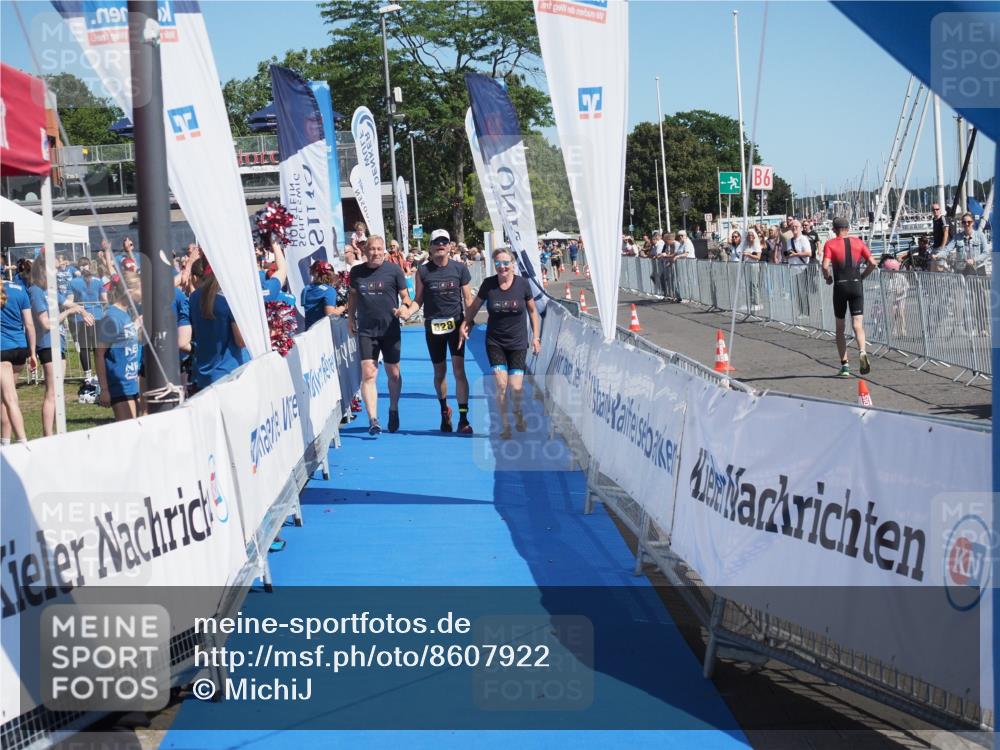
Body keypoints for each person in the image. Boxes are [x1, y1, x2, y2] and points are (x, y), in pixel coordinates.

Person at [460, 247, 540, 440]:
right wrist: (465, 323)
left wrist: (536, 337)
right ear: (494, 265)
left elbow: (532, 312)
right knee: (501, 385)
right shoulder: (489, 285)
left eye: (506, 263)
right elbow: (474, 307)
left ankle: (518, 411)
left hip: (518, 343)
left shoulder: (522, 284)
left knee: (516, 388)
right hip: (495, 342)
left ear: (512, 265)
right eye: (498, 264)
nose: (502, 267)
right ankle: (505, 426)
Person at [347, 235, 415, 436]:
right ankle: (373, 419)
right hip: (367, 331)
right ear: (365, 251)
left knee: (393, 373)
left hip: (390, 329)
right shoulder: (356, 272)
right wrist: (351, 317)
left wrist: (404, 308)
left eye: (379, 249)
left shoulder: (393, 270)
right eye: (371, 249)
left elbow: (406, 296)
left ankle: (393, 408)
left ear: (384, 251)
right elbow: (353, 296)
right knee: (369, 373)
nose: (375, 252)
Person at [410, 228, 475, 434]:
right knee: (440, 372)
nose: (441, 245)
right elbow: (418, 300)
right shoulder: (423, 271)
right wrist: (406, 312)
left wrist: (468, 322)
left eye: (444, 242)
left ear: (450, 246)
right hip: (433, 326)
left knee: (459, 370)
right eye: (436, 242)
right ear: (430, 246)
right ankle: (444, 411)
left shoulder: (460, 268)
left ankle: (463, 419)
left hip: (455, 325)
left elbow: (468, 299)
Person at [29, 259, 91, 436]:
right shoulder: (35, 291)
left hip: (59, 342)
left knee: (58, 390)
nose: (54, 274)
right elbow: (46, 323)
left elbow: (69, 304)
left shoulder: (51, 292)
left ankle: (58, 432)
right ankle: (48, 434)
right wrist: (69, 312)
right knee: (52, 391)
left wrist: (83, 311)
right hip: (47, 344)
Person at [822, 217, 876, 377]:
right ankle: (862, 351)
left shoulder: (830, 244)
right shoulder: (858, 242)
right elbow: (873, 262)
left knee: (840, 328)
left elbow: (825, 265)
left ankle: (845, 366)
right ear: (848, 228)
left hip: (840, 286)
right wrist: (863, 276)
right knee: (858, 324)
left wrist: (828, 278)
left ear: (834, 229)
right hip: (856, 285)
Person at [188, 257, 249, 391]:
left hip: (204, 375)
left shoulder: (194, 297)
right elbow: (241, 341)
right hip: (231, 375)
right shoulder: (230, 299)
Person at [96, 272, 143, 421]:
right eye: (140, 289)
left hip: (131, 382)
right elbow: (99, 354)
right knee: (129, 435)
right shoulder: (112, 317)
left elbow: (122, 338)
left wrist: (136, 325)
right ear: (129, 292)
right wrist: (104, 389)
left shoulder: (125, 314)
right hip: (120, 385)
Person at [1, 278, 37, 444]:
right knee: (5, 397)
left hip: (3, 349)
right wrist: (33, 352)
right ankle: (5, 442)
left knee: (9, 398)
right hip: (20, 348)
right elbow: (29, 324)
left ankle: (23, 442)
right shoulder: (20, 289)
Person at [66, 257, 106, 381]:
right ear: (89, 266)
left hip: (81, 317)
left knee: (84, 347)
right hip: (97, 316)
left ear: (79, 267)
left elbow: (70, 301)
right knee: (97, 348)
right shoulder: (99, 281)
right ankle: (101, 374)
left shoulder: (73, 282)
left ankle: (88, 375)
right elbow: (104, 300)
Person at [301, 259, 346, 330]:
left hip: (309, 332)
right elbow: (331, 314)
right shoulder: (329, 291)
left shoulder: (306, 289)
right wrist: (344, 306)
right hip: (324, 333)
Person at [930, 202, 950, 269]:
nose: (935, 211)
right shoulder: (934, 220)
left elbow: (946, 232)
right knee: (932, 267)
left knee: (940, 267)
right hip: (935, 246)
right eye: (933, 209)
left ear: (940, 210)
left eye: (937, 209)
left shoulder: (943, 219)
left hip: (941, 247)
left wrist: (942, 247)